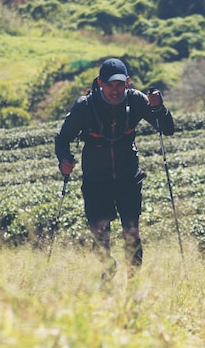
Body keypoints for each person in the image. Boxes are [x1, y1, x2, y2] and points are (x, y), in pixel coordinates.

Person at [54, 57, 175, 283]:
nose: (115, 90)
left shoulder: (137, 100)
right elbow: (62, 138)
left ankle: (133, 281)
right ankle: (108, 267)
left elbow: (166, 129)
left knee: (132, 232)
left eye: (119, 84)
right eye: (110, 85)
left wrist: (160, 108)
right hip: (95, 180)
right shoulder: (84, 106)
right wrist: (64, 159)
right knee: (100, 236)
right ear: (100, 83)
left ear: (127, 82)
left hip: (128, 177)